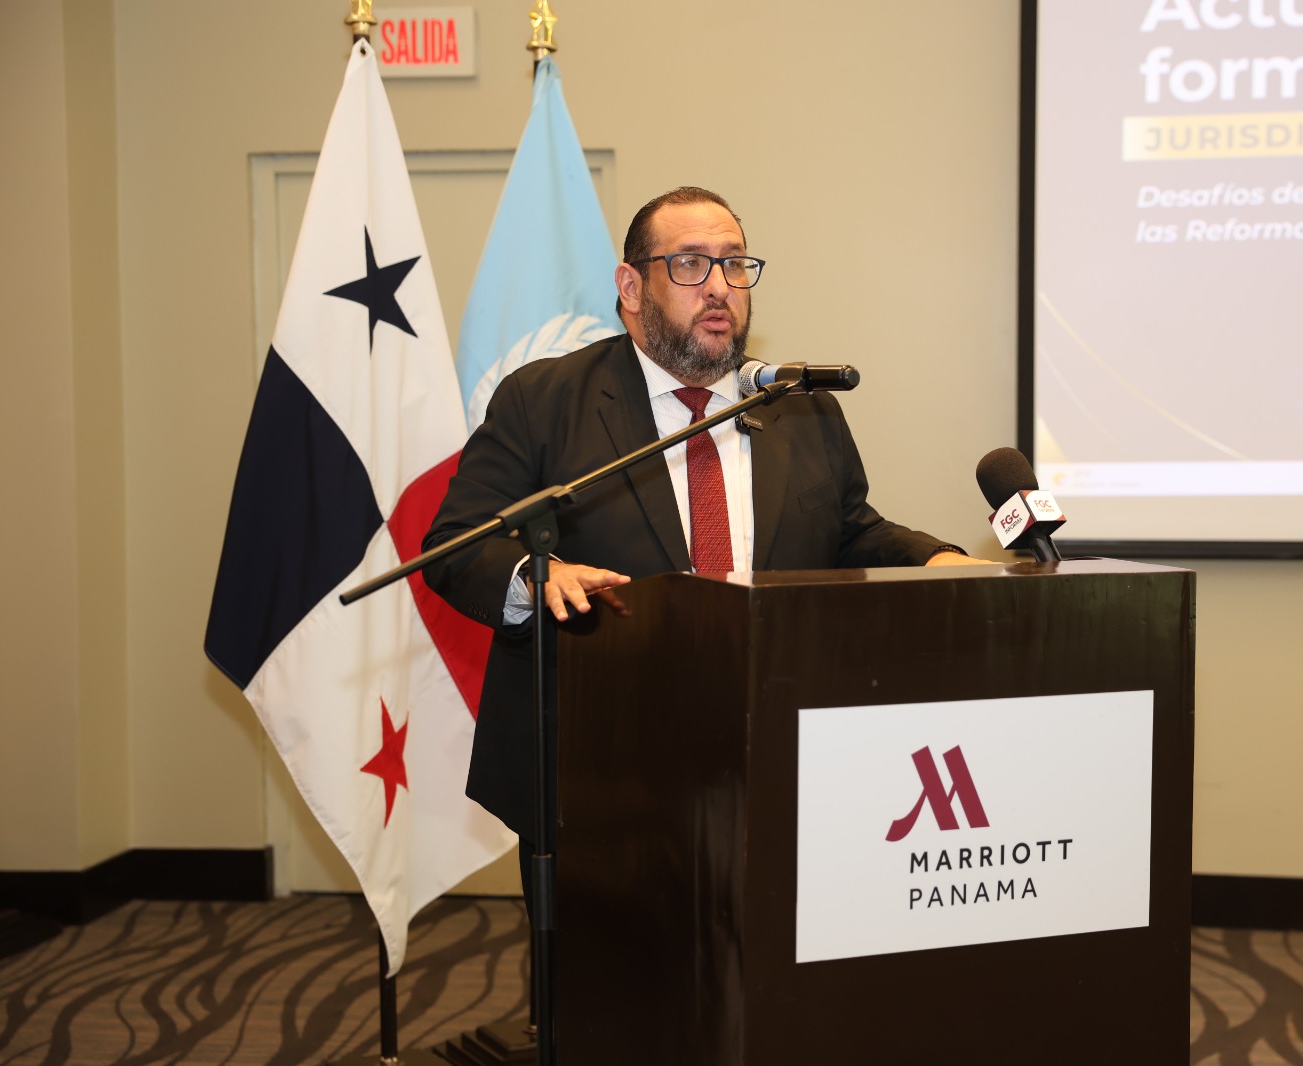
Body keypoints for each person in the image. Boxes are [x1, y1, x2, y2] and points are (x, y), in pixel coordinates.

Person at [422, 186, 987, 903]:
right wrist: (539, 577)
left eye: (734, 264)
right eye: (690, 264)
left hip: (779, 752)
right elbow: (457, 542)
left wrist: (937, 560)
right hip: (602, 768)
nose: (719, 286)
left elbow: (850, 533)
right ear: (632, 287)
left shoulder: (800, 408)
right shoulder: (546, 400)